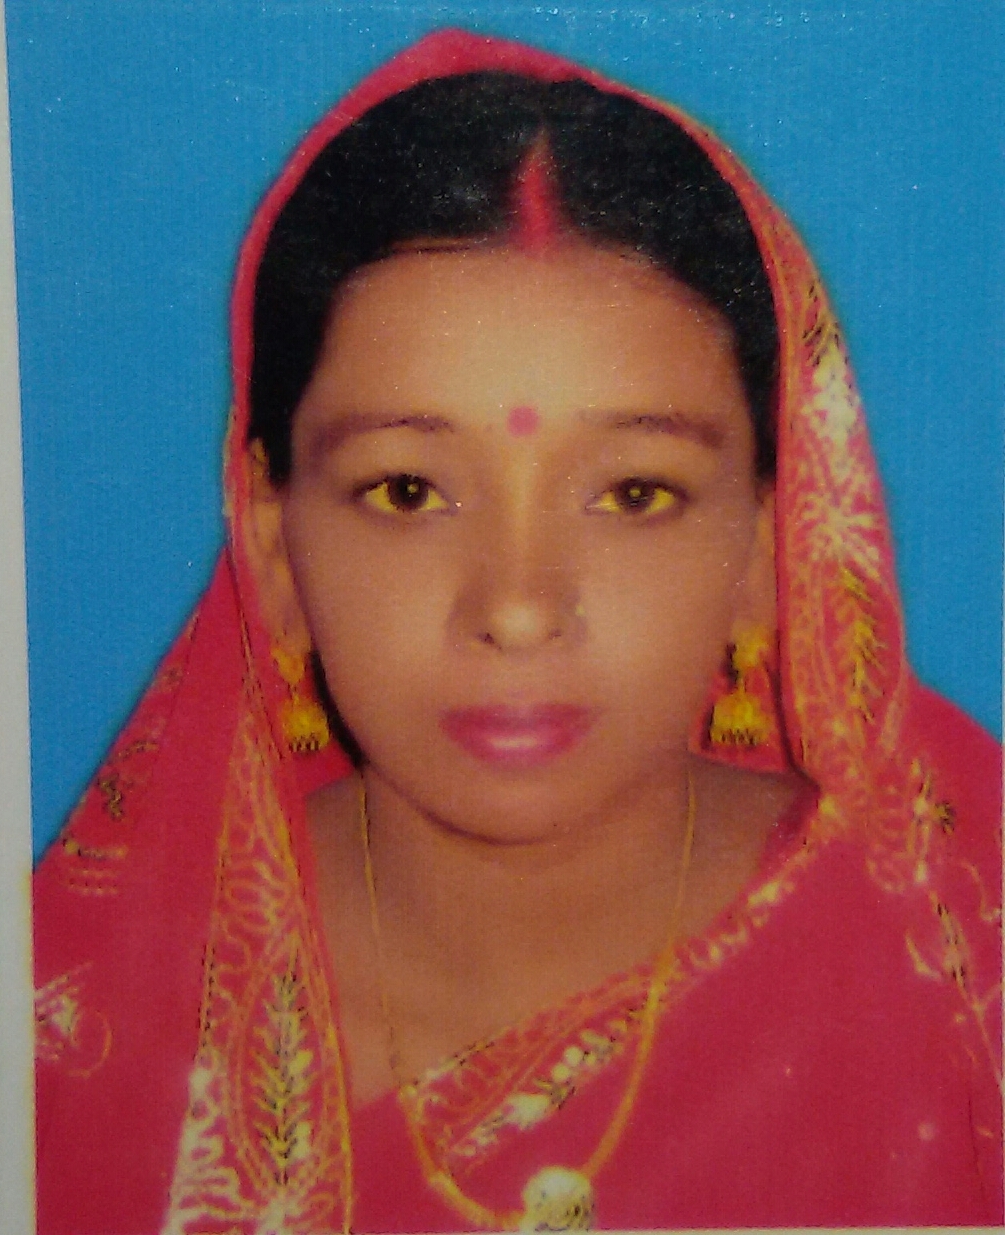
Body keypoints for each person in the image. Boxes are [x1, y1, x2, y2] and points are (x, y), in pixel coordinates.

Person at [32, 29, 1001, 1234]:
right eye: (406, 490)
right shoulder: (74, 1021)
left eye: (635, 492)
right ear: (273, 550)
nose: (518, 606)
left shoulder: (963, 955)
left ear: (770, 551)